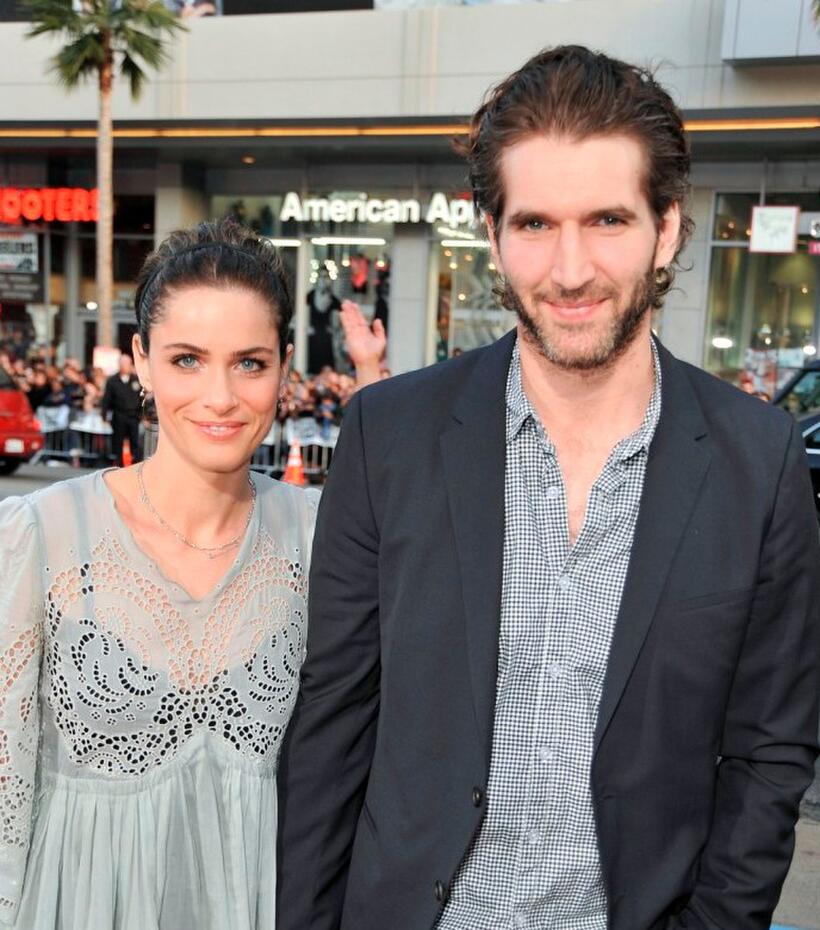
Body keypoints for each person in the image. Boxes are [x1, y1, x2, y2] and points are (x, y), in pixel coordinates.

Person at [276, 45, 820, 930]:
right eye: (534, 225)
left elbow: (768, 753)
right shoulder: (391, 436)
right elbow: (334, 724)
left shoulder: (757, 460)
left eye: (608, 220)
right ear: (491, 232)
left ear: (668, 227)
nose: (570, 271)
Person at [0, 218, 383, 930]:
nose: (220, 397)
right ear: (140, 360)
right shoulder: (43, 535)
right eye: (186, 360)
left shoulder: (323, 535)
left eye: (249, 362)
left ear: (283, 364)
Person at [101, 352, 143, 466]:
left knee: (135, 441)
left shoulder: (136, 379)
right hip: (119, 415)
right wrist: (104, 415)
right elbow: (106, 399)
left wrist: (142, 415)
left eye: (127, 363)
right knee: (118, 441)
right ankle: (119, 464)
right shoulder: (112, 381)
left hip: (133, 416)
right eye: (122, 363)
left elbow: (141, 398)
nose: (125, 366)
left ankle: (136, 464)